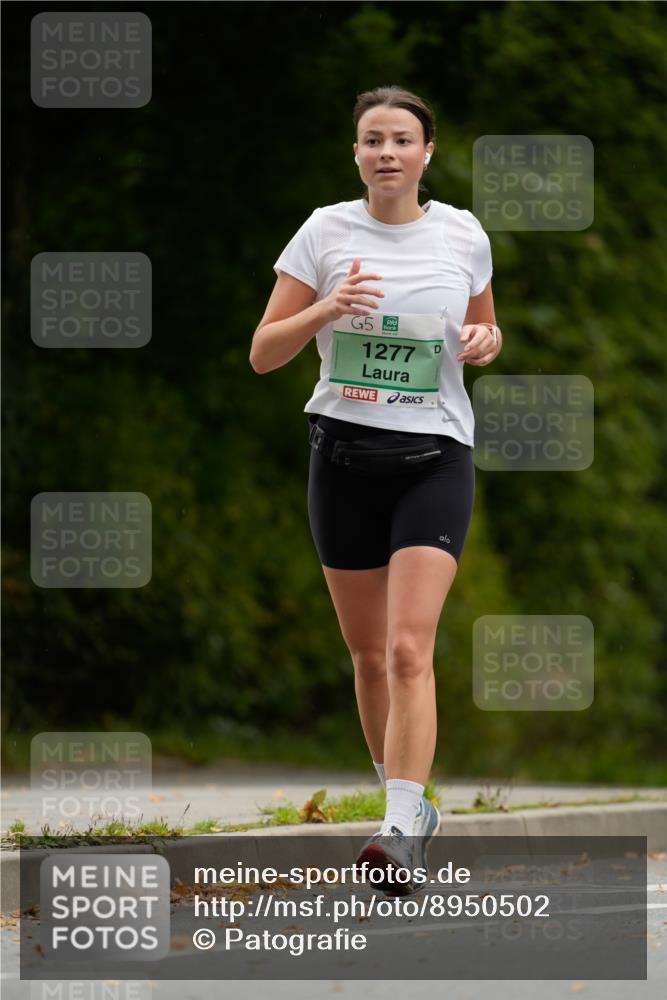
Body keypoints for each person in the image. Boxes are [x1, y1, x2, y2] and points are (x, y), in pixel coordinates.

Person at [249, 85, 501, 893]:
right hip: (342, 458)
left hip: (432, 458)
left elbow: (482, 328)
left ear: (427, 153)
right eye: (370, 140)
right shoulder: (324, 231)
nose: (385, 152)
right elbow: (261, 352)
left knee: (405, 648)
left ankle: (397, 830)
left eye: (400, 139)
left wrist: (486, 338)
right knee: (365, 658)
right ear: (354, 153)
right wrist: (327, 306)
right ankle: (407, 799)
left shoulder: (461, 232)